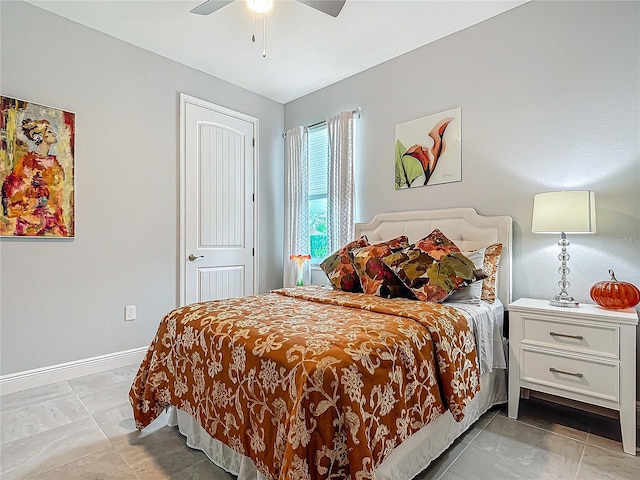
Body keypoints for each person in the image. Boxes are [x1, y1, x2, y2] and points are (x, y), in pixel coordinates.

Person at [1, 118, 69, 236]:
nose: (54, 134)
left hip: (54, 221)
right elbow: (16, 195)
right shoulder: (28, 162)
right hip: (33, 224)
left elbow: (58, 196)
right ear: (40, 137)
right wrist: (39, 205)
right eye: (49, 132)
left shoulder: (55, 164)